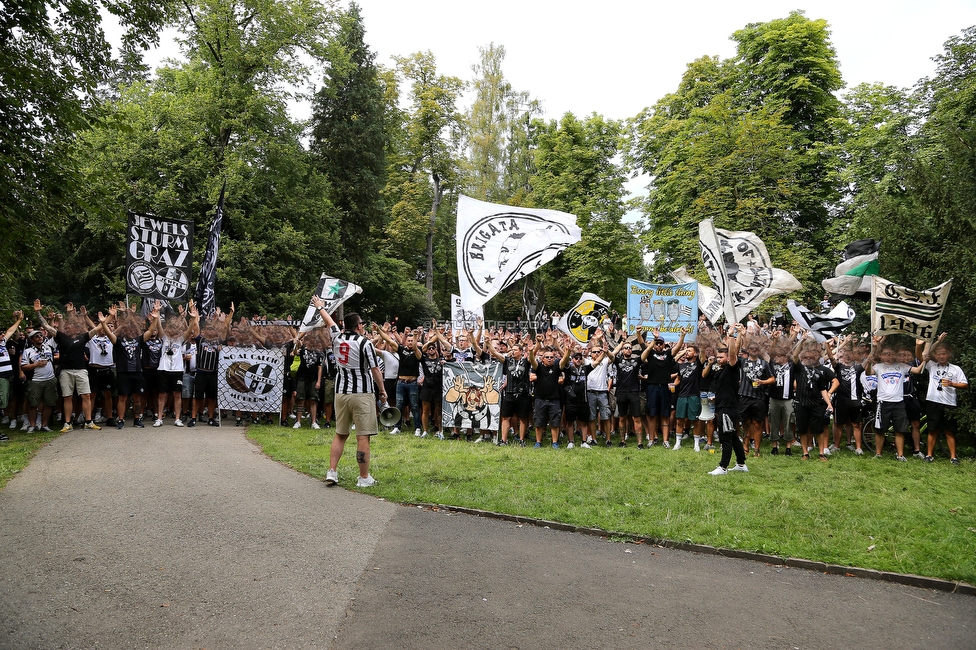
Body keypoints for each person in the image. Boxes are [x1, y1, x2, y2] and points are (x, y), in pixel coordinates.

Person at [311, 296, 386, 488]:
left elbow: (330, 322)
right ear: (359, 326)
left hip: (341, 392)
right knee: (363, 436)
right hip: (362, 393)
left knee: (340, 434)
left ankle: (332, 471)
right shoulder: (365, 343)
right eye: (362, 323)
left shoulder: (337, 336)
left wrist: (320, 307)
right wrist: (382, 390)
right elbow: (375, 369)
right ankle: (363, 477)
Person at [34, 299, 105, 432]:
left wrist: (108, 318)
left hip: (81, 370)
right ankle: (67, 423)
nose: (72, 327)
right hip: (66, 371)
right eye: (69, 326)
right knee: (67, 397)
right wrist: (38, 313)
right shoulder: (61, 336)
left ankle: (88, 421)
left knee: (86, 396)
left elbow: (98, 329)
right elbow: (46, 327)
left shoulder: (83, 337)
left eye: (74, 326)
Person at [704, 325, 749, 475]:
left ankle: (723, 467)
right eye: (717, 357)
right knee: (733, 436)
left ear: (728, 358)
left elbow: (733, 352)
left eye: (721, 357)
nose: (718, 359)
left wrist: (731, 335)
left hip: (728, 408)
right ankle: (741, 464)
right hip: (723, 406)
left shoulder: (732, 368)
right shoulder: (721, 371)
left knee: (725, 437)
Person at [917, 335, 968, 464]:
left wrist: (952, 384)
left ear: (948, 355)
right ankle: (929, 455)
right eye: (939, 354)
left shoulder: (955, 369)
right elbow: (921, 356)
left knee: (949, 431)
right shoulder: (932, 366)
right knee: (932, 429)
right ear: (936, 355)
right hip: (933, 402)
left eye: (943, 354)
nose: (941, 356)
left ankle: (953, 457)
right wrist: (923, 344)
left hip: (949, 402)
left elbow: (965, 384)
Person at [863, 335, 912, 461]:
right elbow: (868, 373)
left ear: (895, 355)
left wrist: (925, 360)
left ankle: (900, 455)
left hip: (898, 403)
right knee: (880, 430)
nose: (888, 356)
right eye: (885, 354)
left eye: (891, 354)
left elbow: (917, 370)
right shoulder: (878, 366)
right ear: (881, 355)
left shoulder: (901, 366)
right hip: (882, 402)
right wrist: (868, 362)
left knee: (900, 430)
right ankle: (878, 454)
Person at [793, 342, 838, 461]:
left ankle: (821, 453)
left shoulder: (820, 371)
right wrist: (801, 341)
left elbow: (823, 389)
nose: (808, 359)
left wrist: (829, 403)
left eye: (811, 357)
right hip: (801, 404)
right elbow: (794, 355)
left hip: (816, 404)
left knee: (819, 429)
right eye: (806, 357)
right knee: (802, 429)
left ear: (816, 358)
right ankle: (805, 453)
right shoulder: (800, 369)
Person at [529, 335, 569, 448]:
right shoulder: (538, 367)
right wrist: (531, 352)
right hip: (540, 399)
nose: (550, 359)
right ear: (542, 359)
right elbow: (532, 361)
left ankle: (554, 442)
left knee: (555, 422)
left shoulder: (557, 366)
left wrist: (568, 351)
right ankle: (538, 442)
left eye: (552, 357)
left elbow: (564, 361)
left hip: (554, 399)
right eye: (547, 357)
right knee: (539, 422)